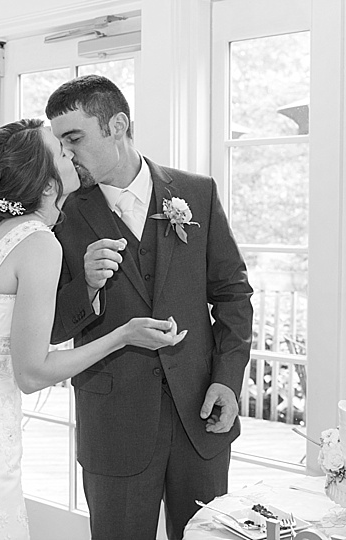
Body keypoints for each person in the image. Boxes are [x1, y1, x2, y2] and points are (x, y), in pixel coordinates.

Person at [0, 118, 186, 540]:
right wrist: (123, 335)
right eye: (60, 151)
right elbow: (32, 373)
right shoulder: (38, 242)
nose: (70, 152)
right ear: (45, 184)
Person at [47, 75, 254, 540]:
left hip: (200, 415)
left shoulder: (197, 193)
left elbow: (233, 294)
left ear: (117, 125)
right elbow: (53, 328)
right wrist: (87, 287)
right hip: (114, 425)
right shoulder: (62, 214)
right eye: (61, 144)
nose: (67, 154)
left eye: (75, 138)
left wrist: (227, 379)